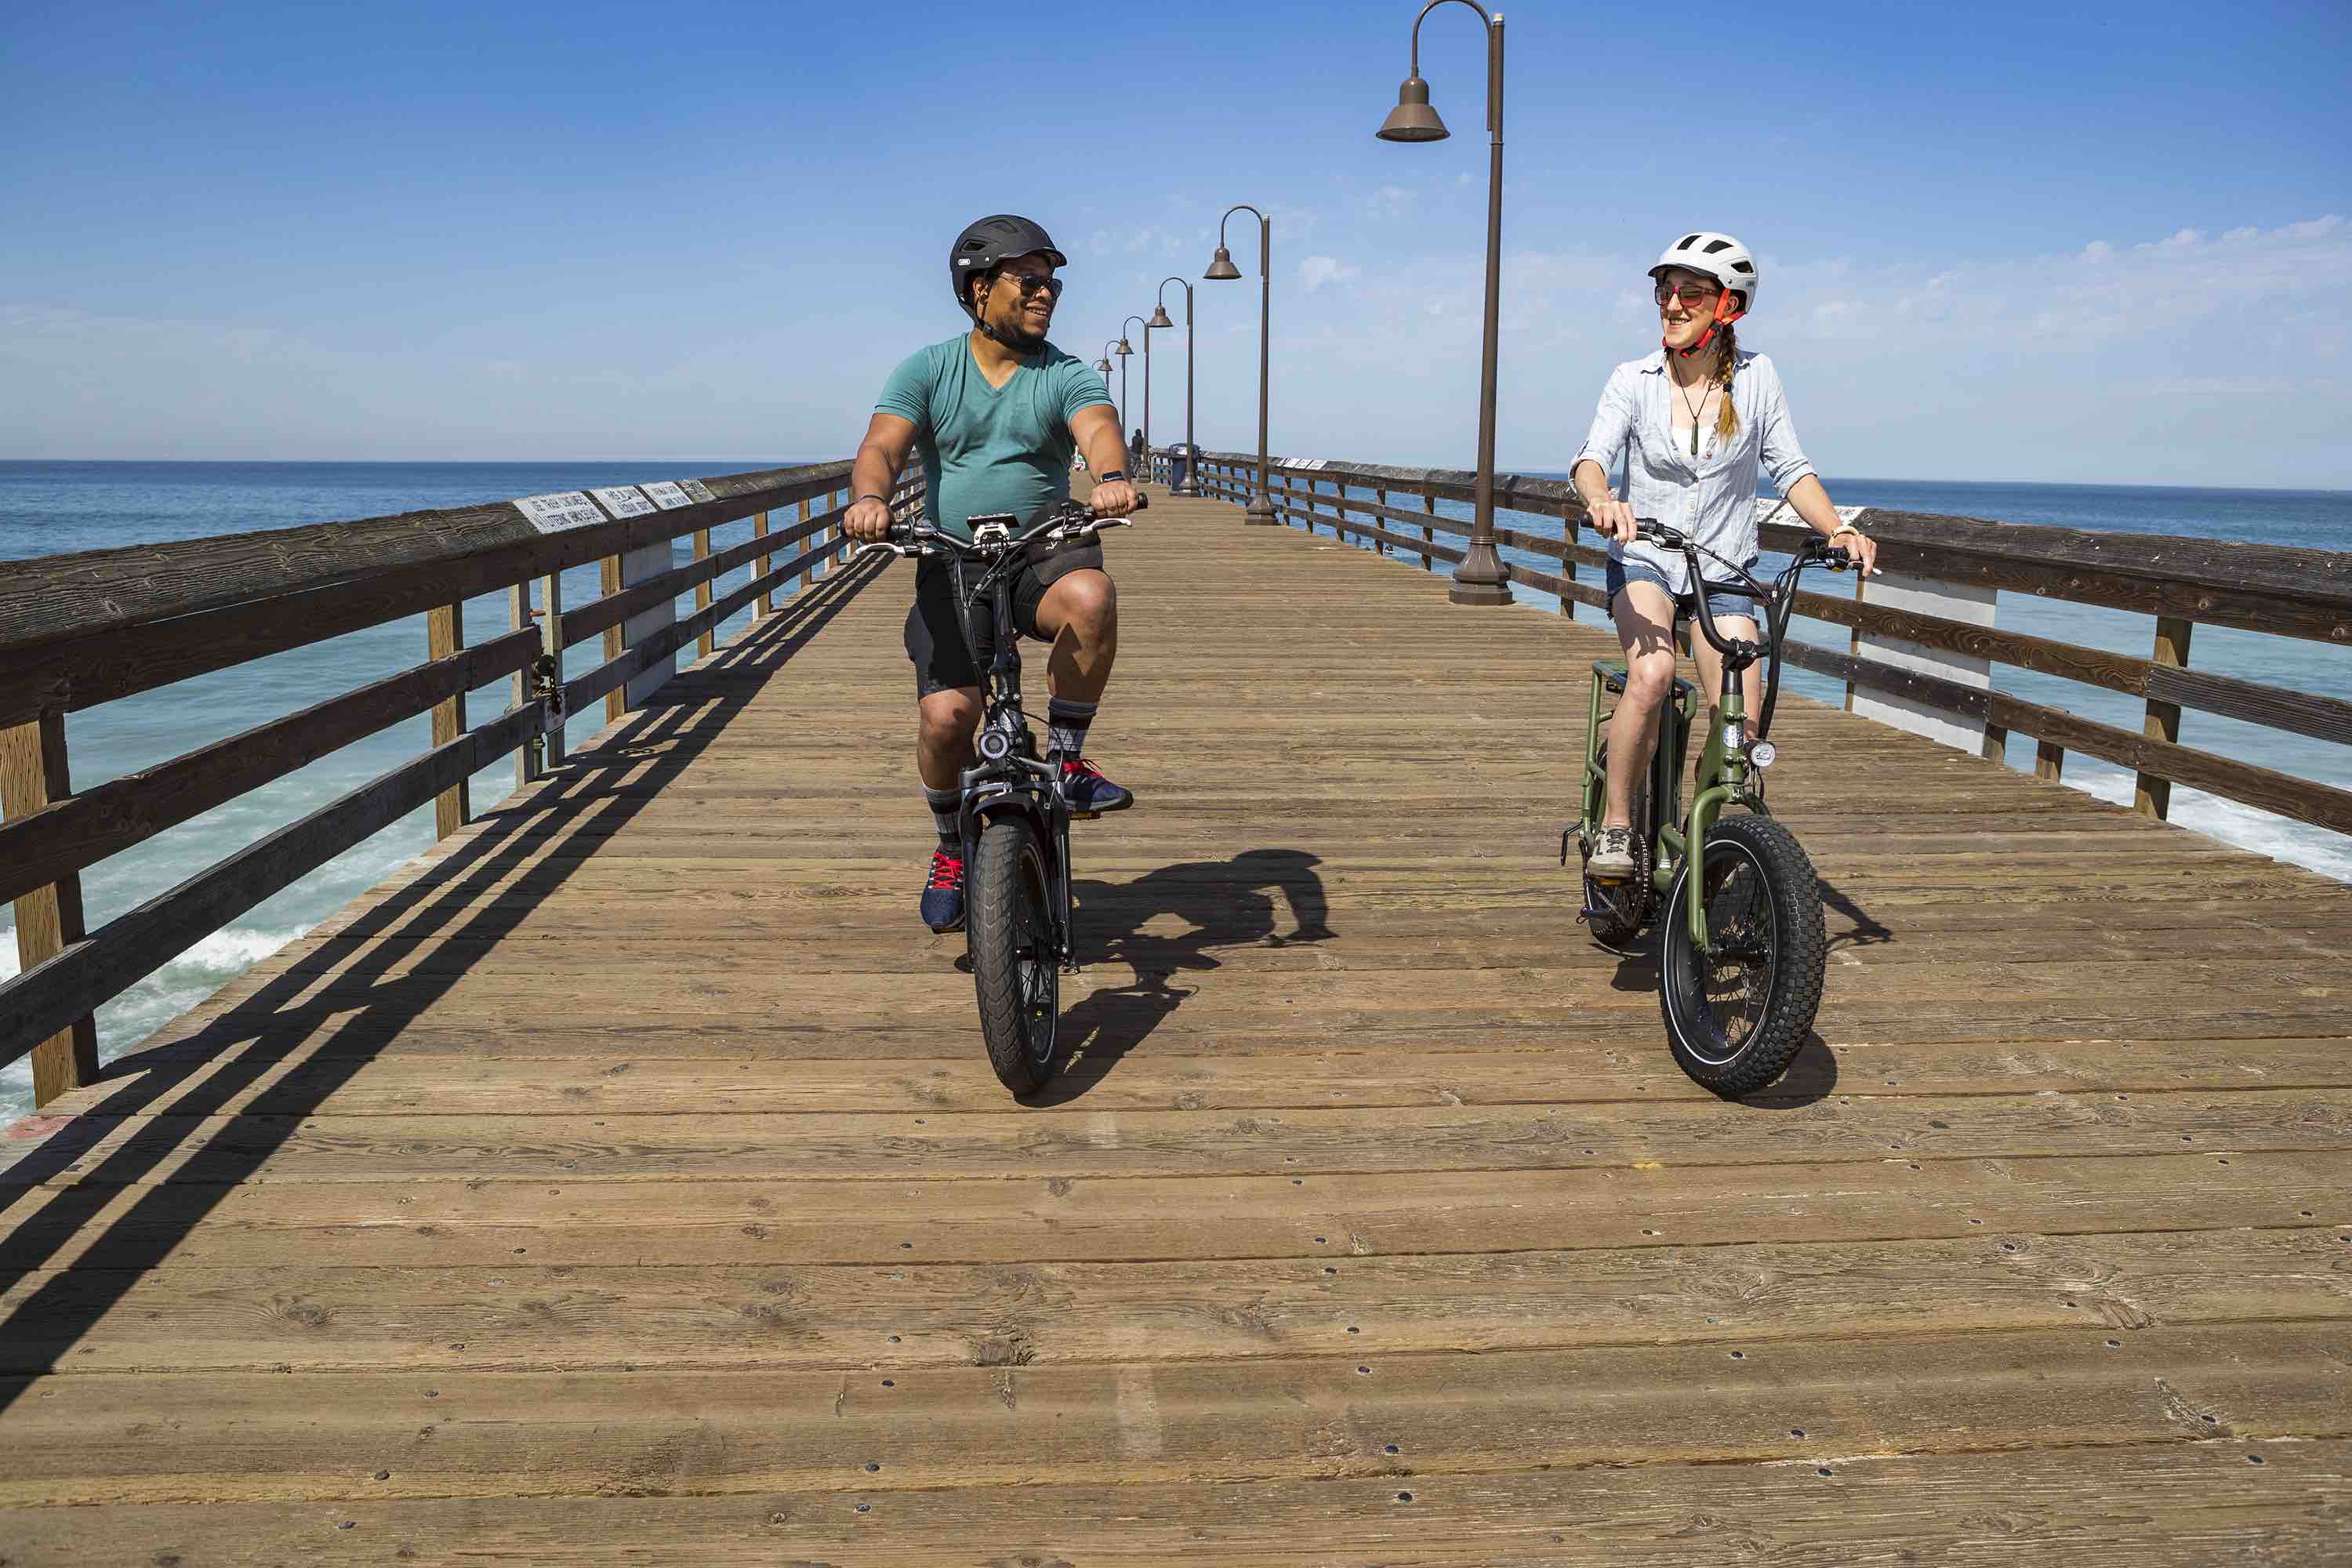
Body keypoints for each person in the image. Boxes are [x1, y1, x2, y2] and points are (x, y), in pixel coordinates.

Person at [845, 216, 1140, 933]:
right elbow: (881, 447)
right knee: (949, 719)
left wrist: (1109, 476)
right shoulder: (929, 369)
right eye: (1029, 282)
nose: (1047, 295)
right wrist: (870, 499)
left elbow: (1099, 429)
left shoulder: (1064, 372)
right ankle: (951, 845)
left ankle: (1067, 761)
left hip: (1043, 548)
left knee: (1093, 596)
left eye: (1053, 284)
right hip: (950, 559)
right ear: (980, 289)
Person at [1570, 231, 1882, 878]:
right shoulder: (1633, 380)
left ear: (1728, 306)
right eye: (1665, 290)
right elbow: (1591, 460)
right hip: (1647, 561)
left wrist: (1839, 529)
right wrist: (1602, 500)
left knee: (1740, 720)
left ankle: (1708, 840)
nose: (1673, 303)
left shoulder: (1758, 378)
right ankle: (1619, 826)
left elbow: (1790, 469)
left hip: (1726, 569)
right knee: (1652, 679)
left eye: (1691, 292)